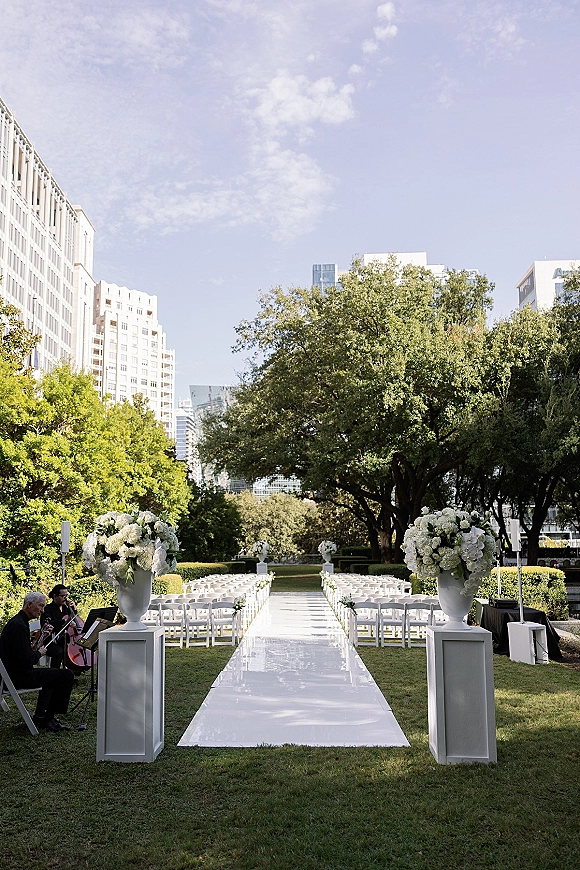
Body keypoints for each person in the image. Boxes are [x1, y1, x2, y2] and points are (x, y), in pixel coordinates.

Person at [0, 591, 74, 732]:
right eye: (40, 606)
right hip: (17, 677)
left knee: (53, 676)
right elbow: (27, 660)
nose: (43, 610)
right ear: (29, 604)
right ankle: (48, 719)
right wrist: (40, 653)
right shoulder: (19, 626)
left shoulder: (18, 621)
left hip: (14, 674)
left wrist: (42, 638)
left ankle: (42, 717)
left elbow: (25, 651)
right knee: (66, 676)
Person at [41, 584, 78, 669]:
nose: (65, 598)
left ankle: (72, 671)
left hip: (65, 640)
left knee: (72, 649)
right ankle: (54, 673)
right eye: (62, 596)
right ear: (55, 596)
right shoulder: (48, 609)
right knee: (59, 651)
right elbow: (48, 624)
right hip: (51, 641)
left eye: (66, 596)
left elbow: (74, 618)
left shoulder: (66, 608)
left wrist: (74, 609)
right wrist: (64, 621)